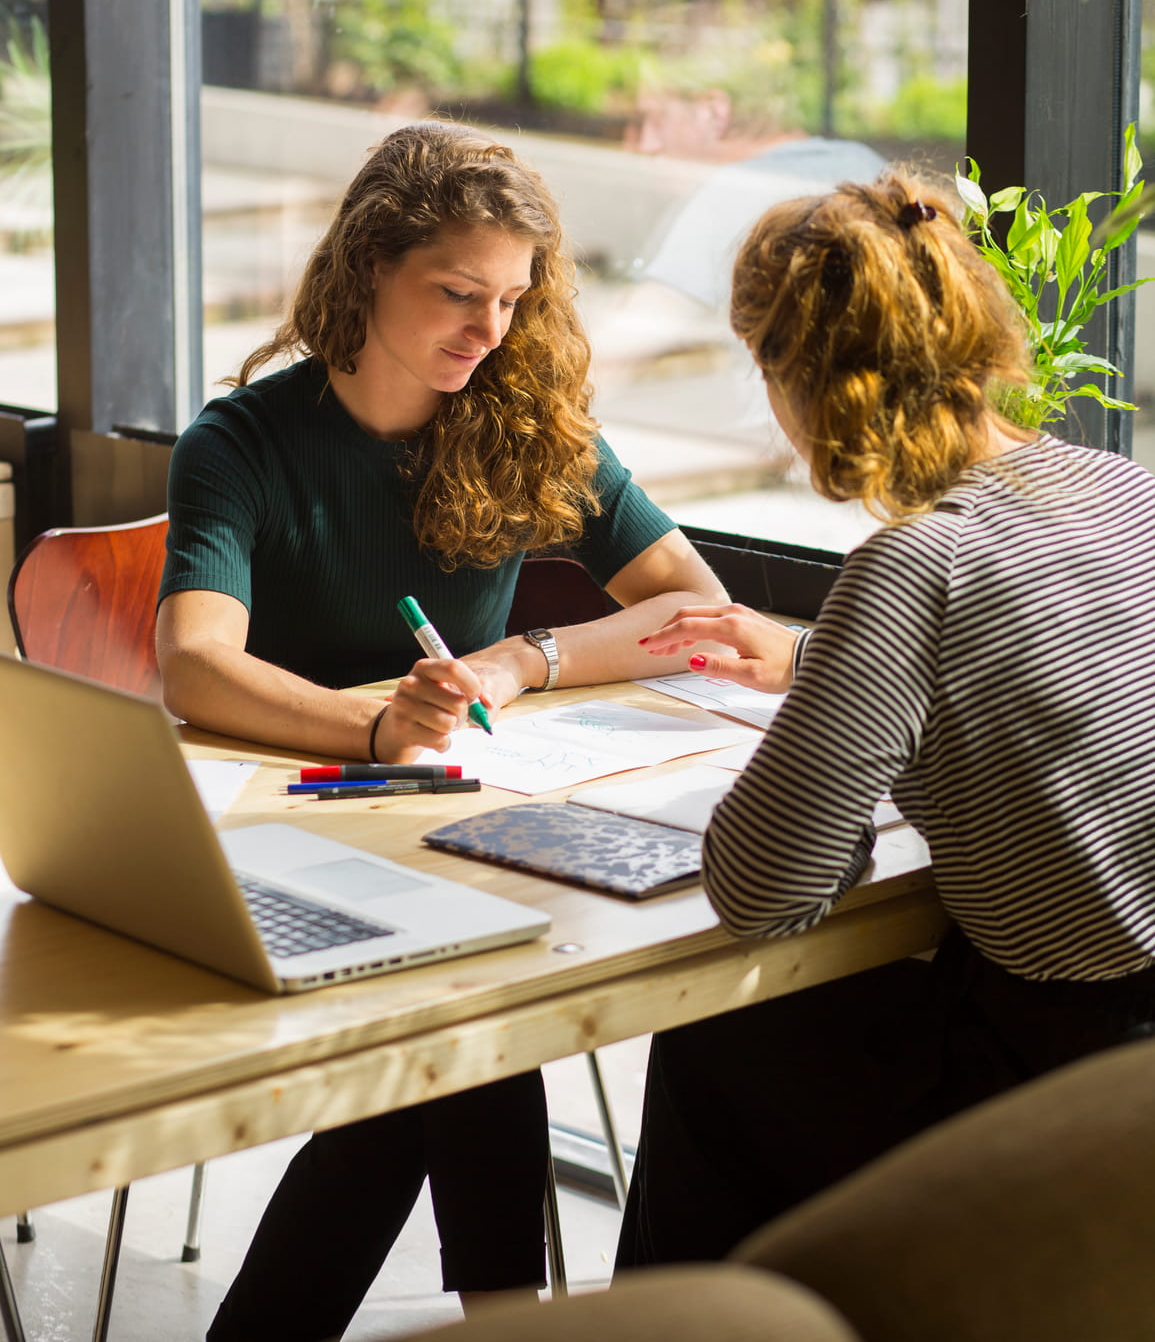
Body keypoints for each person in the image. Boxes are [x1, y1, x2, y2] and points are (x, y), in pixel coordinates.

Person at [154, 121, 726, 1340]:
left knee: (458, 1017)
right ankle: (506, 1313)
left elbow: (698, 608)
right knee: (474, 1014)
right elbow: (196, 661)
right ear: (370, 267)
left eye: (514, 298)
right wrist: (374, 725)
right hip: (290, 825)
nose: (492, 330)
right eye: (459, 293)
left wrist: (524, 657)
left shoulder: (520, 423)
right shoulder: (243, 442)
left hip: (451, 829)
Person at [615, 170, 1155, 1270]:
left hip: (1057, 1078)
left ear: (800, 384)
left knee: (721, 1041)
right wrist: (826, 664)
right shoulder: (1122, 488)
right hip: (1132, 1052)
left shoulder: (916, 567)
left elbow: (766, 887)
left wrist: (823, 717)